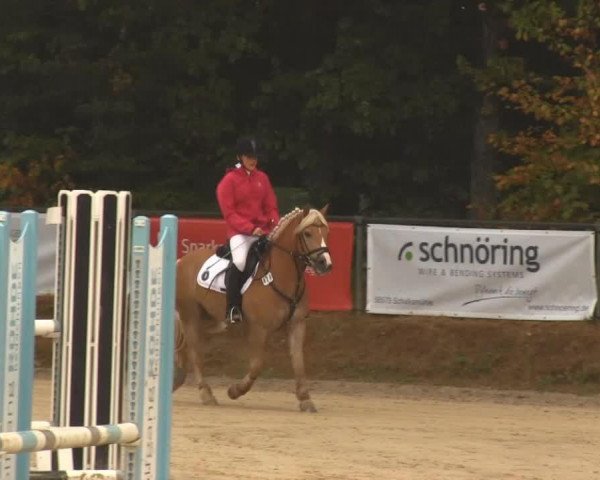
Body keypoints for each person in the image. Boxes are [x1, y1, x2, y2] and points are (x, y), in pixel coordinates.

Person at [216, 137, 280, 324]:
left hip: (263, 231)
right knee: (240, 261)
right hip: (240, 234)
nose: (253, 160)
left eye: (255, 157)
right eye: (249, 156)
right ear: (239, 157)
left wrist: (275, 225)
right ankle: (233, 307)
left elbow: (271, 207)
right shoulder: (228, 182)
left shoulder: (263, 178)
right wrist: (251, 228)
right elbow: (230, 214)